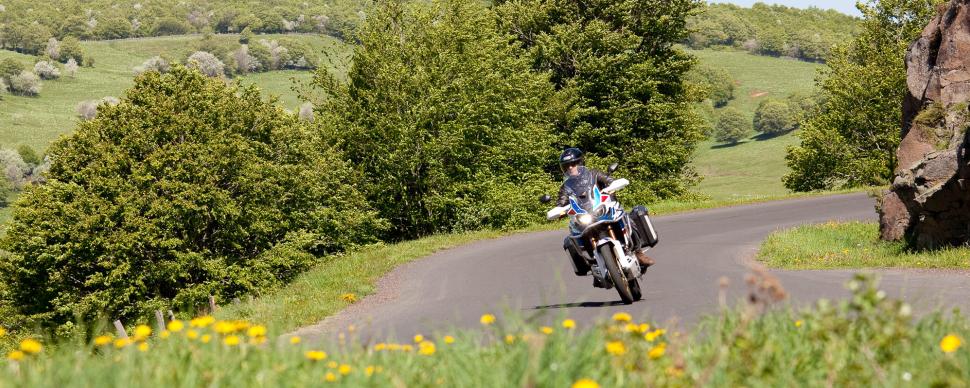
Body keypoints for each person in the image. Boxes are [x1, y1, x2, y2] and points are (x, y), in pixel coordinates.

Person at [556, 148, 655, 275]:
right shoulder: (566, 187)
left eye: (573, 164)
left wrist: (613, 186)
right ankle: (594, 265)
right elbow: (561, 202)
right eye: (566, 166)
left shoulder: (594, 174)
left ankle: (638, 252)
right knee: (573, 234)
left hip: (605, 209)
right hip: (585, 216)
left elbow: (609, 181)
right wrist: (559, 210)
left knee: (626, 218)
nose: (570, 168)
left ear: (580, 163)